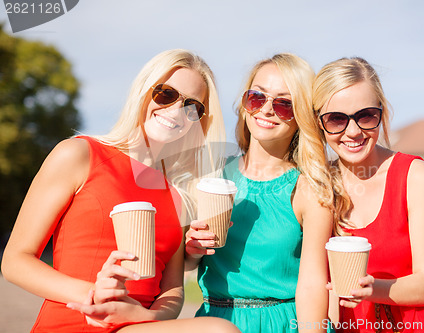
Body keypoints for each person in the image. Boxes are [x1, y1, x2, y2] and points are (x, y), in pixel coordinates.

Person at [1, 49, 239, 333]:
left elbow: (172, 290)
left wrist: (144, 316)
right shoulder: (78, 154)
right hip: (76, 322)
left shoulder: (180, 193)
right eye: (166, 94)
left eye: (192, 107)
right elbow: (15, 261)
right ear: (143, 91)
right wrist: (95, 295)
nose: (176, 111)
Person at [312, 56, 424, 333]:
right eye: (336, 119)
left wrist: (371, 290)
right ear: (319, 122)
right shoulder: (319, 184)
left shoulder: (415, 175)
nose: (354, 131)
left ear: (381, 113)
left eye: (366, 116)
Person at [185, 53, 337, 333]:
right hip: (213, 322)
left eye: (284, 104)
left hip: (282, 324)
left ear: (301, 114)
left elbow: (312, 284)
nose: (266, 110)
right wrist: (193, 251)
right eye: (257, 97)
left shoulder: (309, 187)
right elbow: (182, 265)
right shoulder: (212, 174)